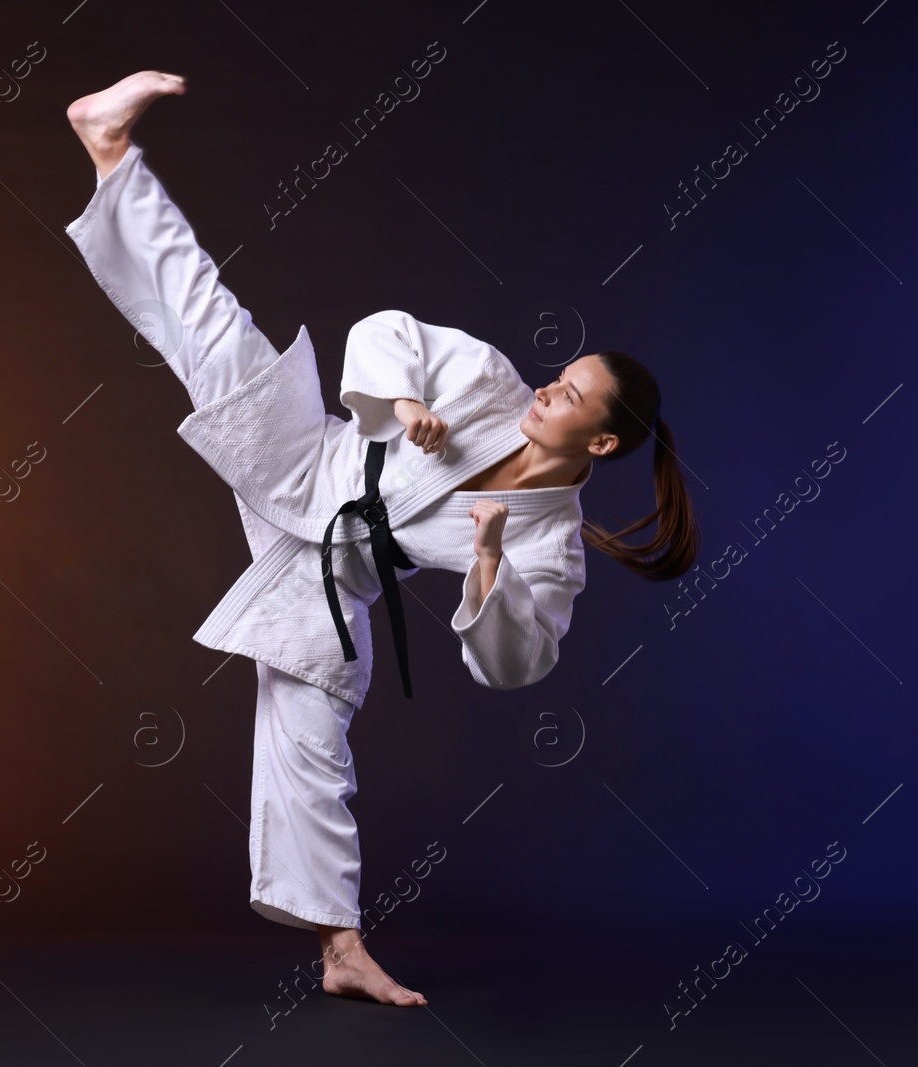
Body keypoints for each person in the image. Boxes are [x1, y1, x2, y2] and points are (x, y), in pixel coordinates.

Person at [64, 71, 698, 1008]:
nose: (545, 389)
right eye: (557, 374)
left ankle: (339, 948)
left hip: (334, 571)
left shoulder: (550, 544)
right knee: (214, 331)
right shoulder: (489, 382)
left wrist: (486, 560)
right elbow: (387, 326)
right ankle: (107, 149)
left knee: (310, 737)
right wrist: (403, 402)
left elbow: (520, 662)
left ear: (599, 442)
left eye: (567, 394)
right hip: (308, 464)